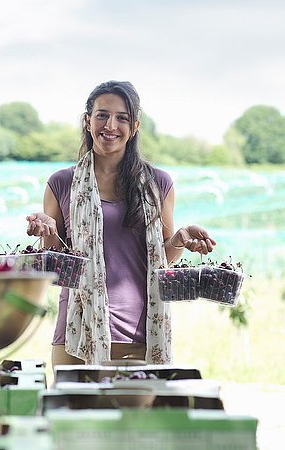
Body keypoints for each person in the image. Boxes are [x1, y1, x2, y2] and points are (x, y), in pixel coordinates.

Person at [26, 80, 216, 366]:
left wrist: (178, 239)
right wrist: (47, 231)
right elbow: (58, 269)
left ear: (135, 126)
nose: (110, 125)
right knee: (73, 411)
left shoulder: (158, 183)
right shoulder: (62, 184)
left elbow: (163, 259)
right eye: (102, 115)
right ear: (88, 121)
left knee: (139, 412)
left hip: (142, 339)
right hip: (76, 339)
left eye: (122, 118)